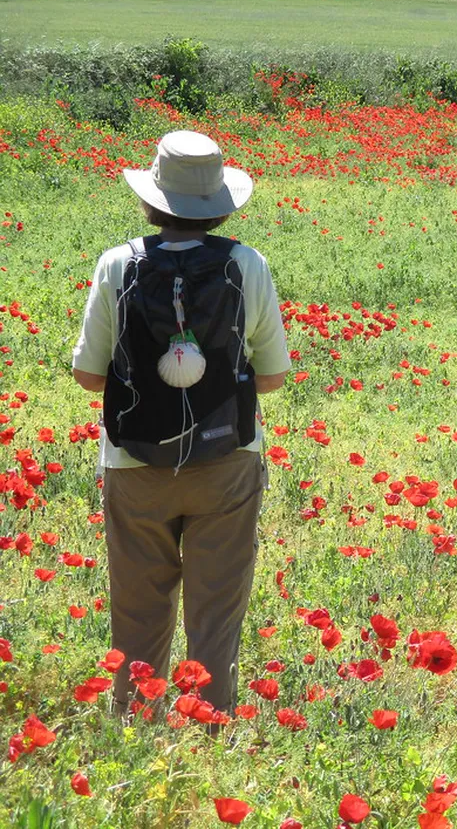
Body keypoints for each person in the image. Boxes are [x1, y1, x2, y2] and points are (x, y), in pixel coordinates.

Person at [71, 130, 290, 719]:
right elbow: (271, 376)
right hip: (227, 459)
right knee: (217, 609)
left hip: (134, 463)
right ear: (219, 204)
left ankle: (135, 728)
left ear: (152, 198)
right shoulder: (247, 265)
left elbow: (89, 375)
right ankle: (210, 728)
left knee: (139, 609)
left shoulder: (117, 264)